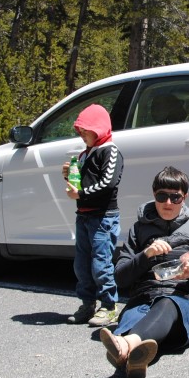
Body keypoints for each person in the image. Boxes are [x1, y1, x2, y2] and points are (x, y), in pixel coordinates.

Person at [99, 166, 189, 378]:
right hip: (144, 299)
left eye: (175, 198)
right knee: (133, 318)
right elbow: (120, 277)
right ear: (153, 195)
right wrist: (145, 255)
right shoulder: (139, 230)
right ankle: (136, 357)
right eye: (162, 196)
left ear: (185, 197)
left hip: (186, 303)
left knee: (166, 304)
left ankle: (125, 346)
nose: (168, 203)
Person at [64, 104, 124, 327]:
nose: (82, 136)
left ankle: (109, 306)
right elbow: (83, 179)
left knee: (101, 263)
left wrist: (80, 193)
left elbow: (108, 183)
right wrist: (70, 175)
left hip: (103, 217)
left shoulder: (110, 151)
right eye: (80, 132)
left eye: (86, 131)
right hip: (84, 215)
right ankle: (87, 303)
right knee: (82, 264)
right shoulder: (85, 154)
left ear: (99, 130)